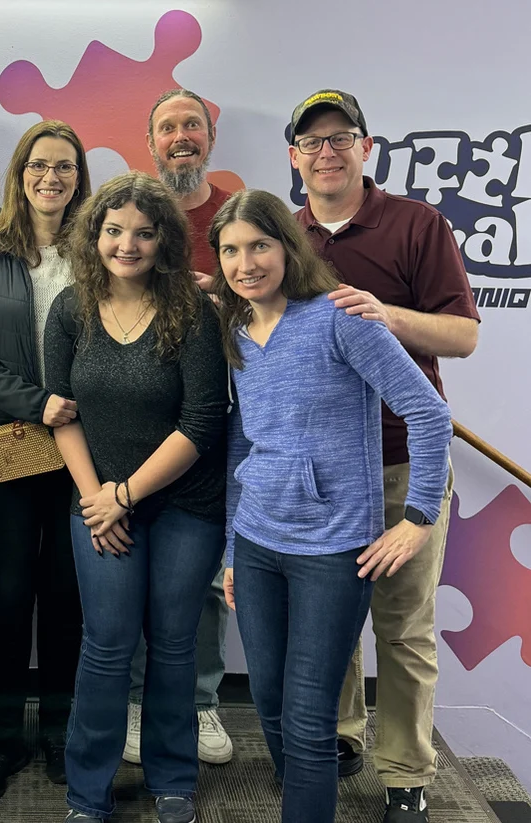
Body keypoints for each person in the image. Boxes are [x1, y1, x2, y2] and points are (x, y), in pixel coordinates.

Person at [210, 189, 453, 823]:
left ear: (287, 248)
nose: (246, 263)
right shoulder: (234, 330)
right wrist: (234, 549)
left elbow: (429, 414)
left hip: (333, 549)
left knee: (311, 713)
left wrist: (418, 518)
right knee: (269, 703)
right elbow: (242, 441)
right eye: (230, 250)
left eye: (259, 245)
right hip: (259, 545)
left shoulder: (340, 318)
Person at [288, 89, 479, 822]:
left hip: (405, 458)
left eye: (341, 137)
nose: (327, 151)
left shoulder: (417, 224)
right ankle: (339, 736)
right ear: (294, 156)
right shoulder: (283, 232)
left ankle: (406, 770)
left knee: (402, 624)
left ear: (367, 148)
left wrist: (383, 312)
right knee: (327, 618)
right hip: (323, 465)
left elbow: (461, 337)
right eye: (313, 141)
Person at [45, 172, 228, 823]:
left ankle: (173, 777)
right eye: (114, 230)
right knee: (107, 642)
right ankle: (86, 792)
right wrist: (97, 497)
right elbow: (60, 412)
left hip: (185, 502)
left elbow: (203, 421)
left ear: (164, 239)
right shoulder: (70, 310)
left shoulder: (191, 308)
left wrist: (125, 492)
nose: (128, 243)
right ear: (94, 235)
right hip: (100, 501)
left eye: (144, 232)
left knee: (175, 640)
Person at [0, 120, 91, 802]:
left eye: (64, 166)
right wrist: (36, 402)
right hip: (11, 446)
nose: (50, 177)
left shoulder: (97, 248)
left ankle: (59, 735)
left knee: (66, 595)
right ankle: (3, 739)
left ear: (78, 177)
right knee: (6, 596)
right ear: (19, 172)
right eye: (39, 165)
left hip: (83, 449)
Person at [123, 87, 236, 770]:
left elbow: (276, 301)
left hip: (217, 418)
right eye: (168, 127)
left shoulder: (242, 216)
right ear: (151, 141)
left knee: (198, 573)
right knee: (130, 569)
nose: (181, 137)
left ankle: (199, 702)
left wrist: (218, 292)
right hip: (136, 420)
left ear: (210, 139)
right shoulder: (129, 212)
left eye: (192, 124)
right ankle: (138, 699)